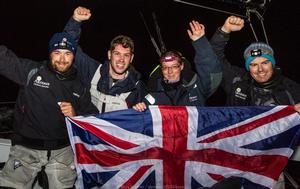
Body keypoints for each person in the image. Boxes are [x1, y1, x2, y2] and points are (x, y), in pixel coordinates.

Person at [210, 15, 300, 189]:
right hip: (237, 153)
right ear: (247, 67)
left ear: (273, 64)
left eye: (265, 63)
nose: (260, 69)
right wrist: (224, 31)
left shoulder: (291, 88)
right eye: (254, 64)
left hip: (272, 159)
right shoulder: (237, 81)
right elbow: (214, 60)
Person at [0, 32, 98, 189]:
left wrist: (76, 114)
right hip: (26, 150)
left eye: (67, 53)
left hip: (63, 153)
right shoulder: (32, 72)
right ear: (50, 53)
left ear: (73, 56)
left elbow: (93, 116)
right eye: (57, 53)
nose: (62, 59)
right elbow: (4, 59)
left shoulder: (80, 85)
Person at [63, 6, 147, 113]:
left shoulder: (138, 88)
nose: (121, 59)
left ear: (131, 58)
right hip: (88, 128)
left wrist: (141, 111)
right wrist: (76, 20)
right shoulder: (93, 71)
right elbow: (68, 49)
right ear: (109, 55)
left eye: (126, 55)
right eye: (117, 54)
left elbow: (146, 121)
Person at [133, 20, 223, 111]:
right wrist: (139, 108)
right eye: (165, 68)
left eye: (174, 66)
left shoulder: (197, 87)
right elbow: (142, 116)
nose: (169, 71)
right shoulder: (152, 95)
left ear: (181, 66)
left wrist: (200, 42)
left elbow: (213, 73)